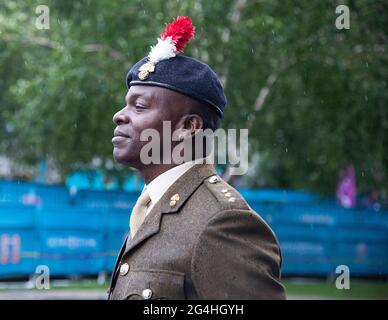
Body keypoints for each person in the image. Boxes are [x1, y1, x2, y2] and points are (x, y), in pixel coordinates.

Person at [108, 16, 285, 300]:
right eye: (126, 104)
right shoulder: (152, 207)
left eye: (139, 106)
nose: (119, 115)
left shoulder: (222, 222)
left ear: (188, 127)